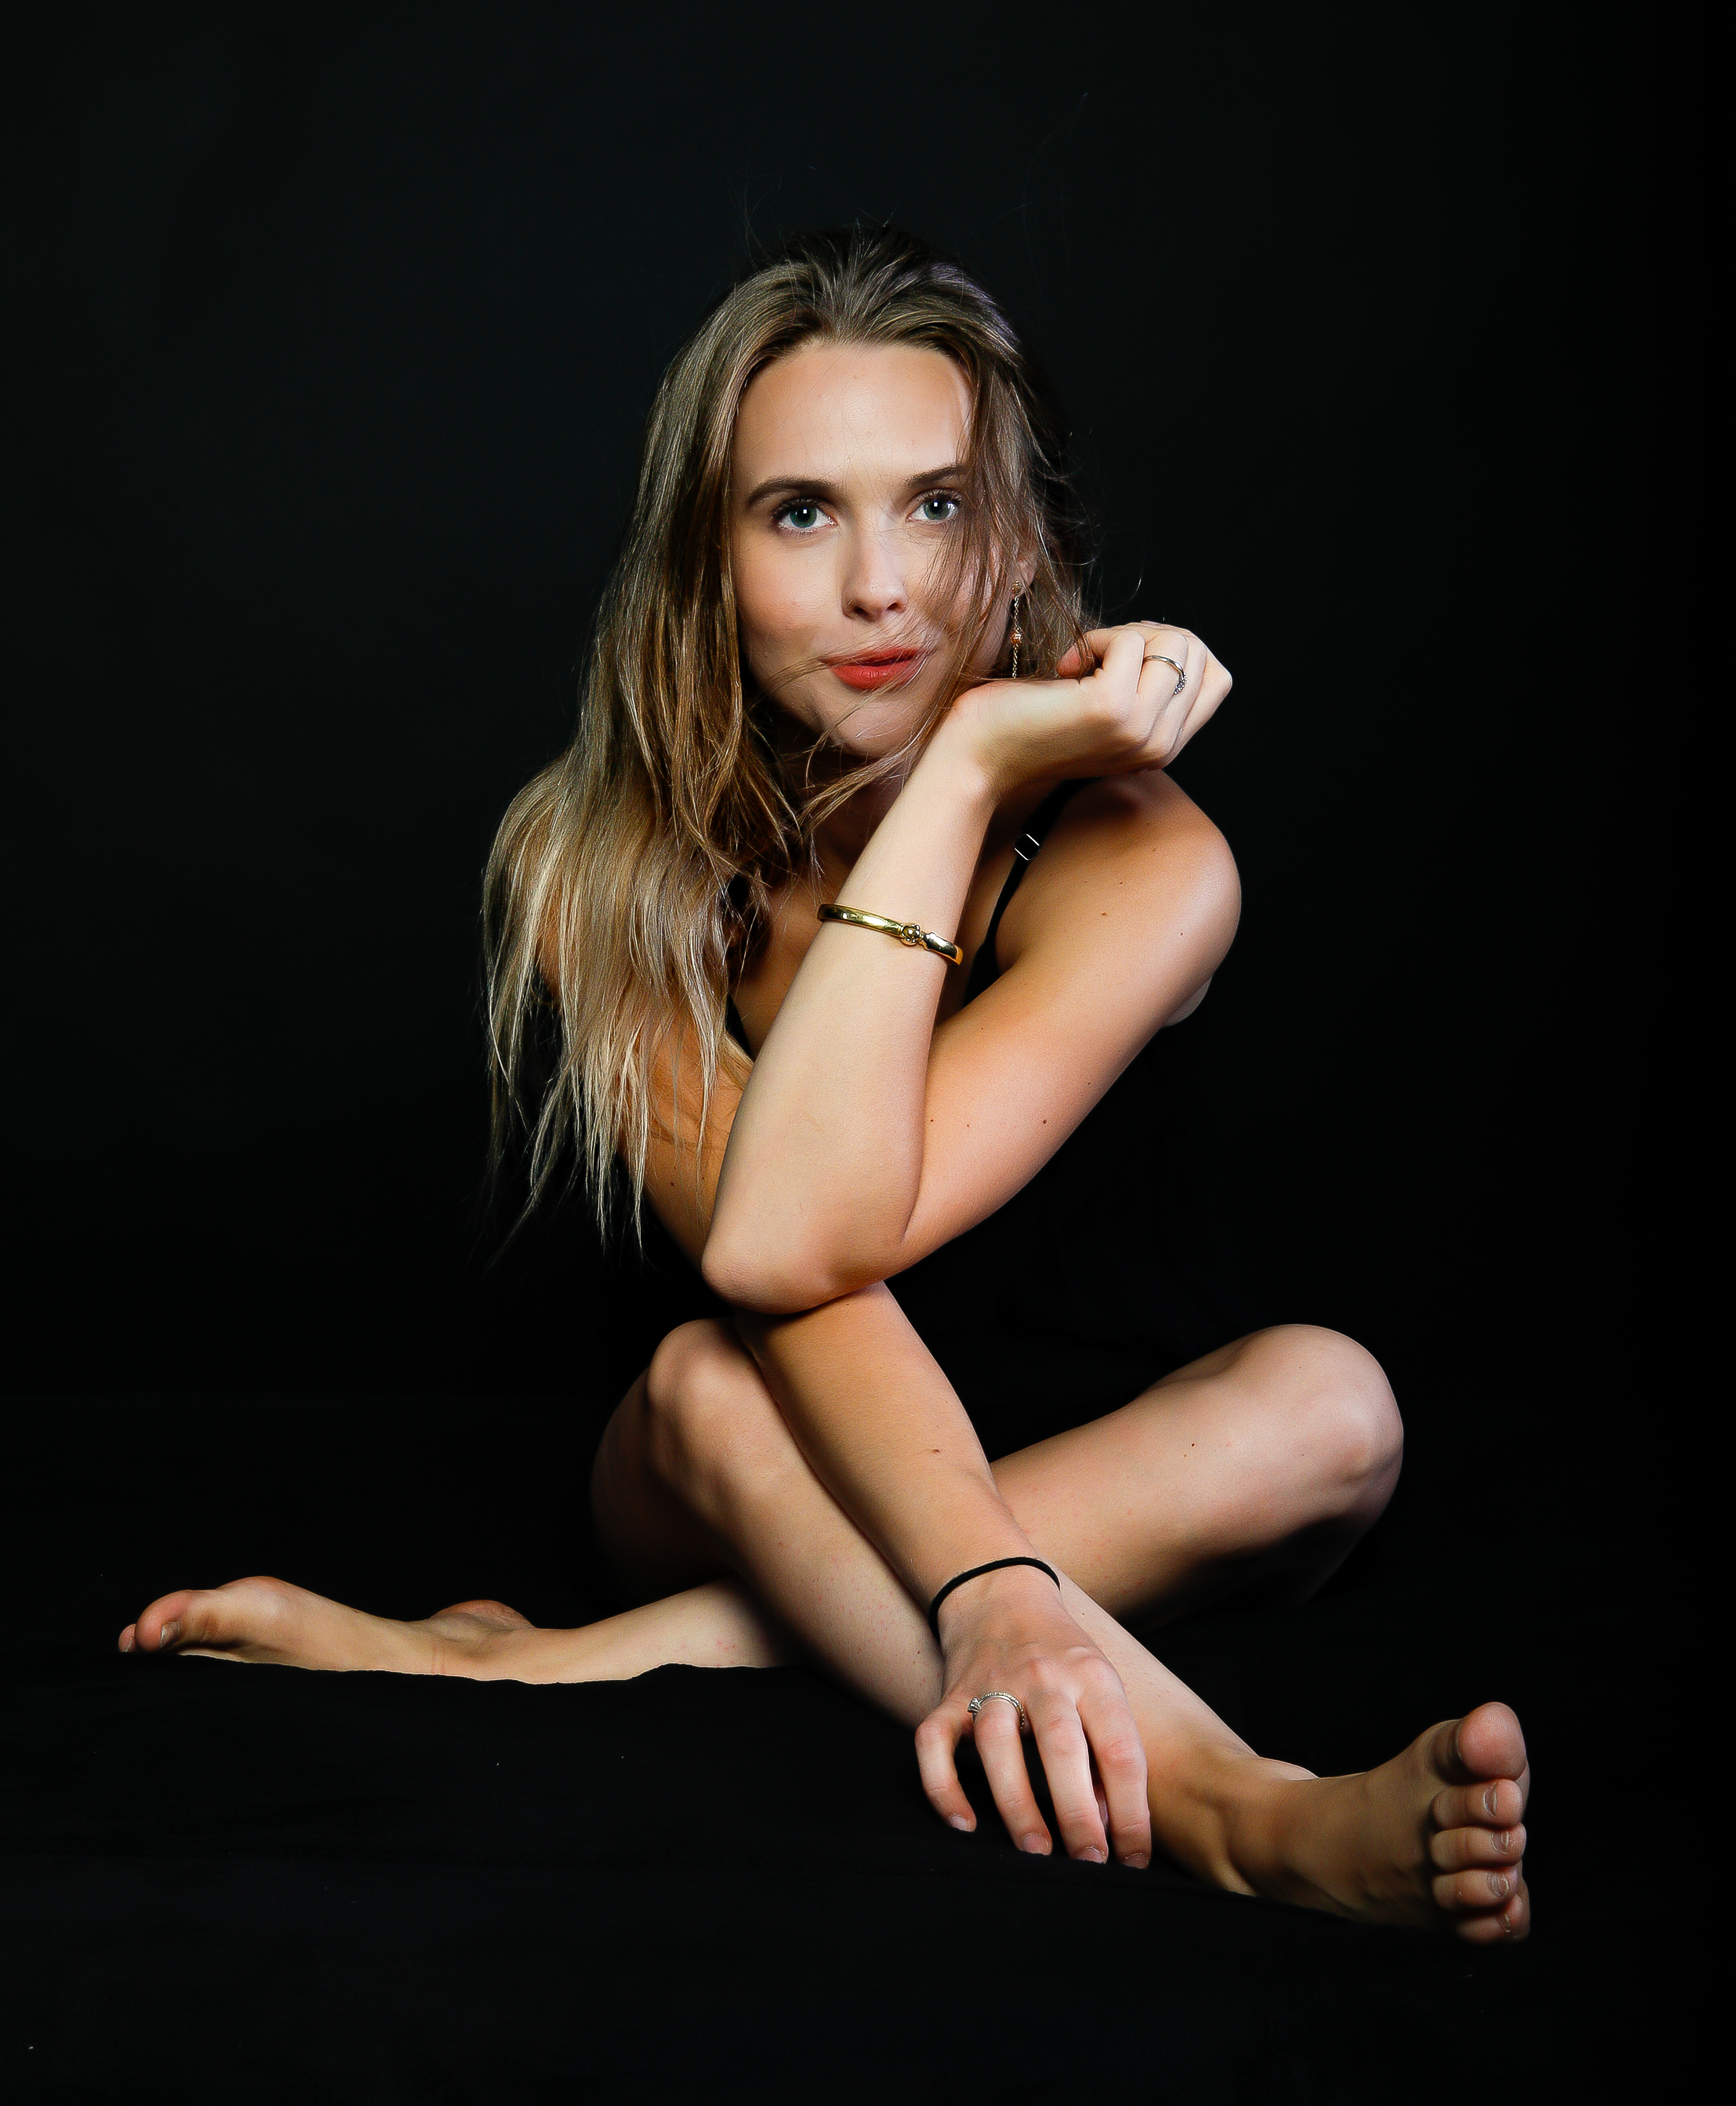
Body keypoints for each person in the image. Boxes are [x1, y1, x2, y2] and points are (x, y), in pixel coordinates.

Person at [120, 230, 1529, 1939]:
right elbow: (788, 1250)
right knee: (711, 1374)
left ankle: (539, 1664)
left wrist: (972, 773)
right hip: (746, 1448)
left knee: (1335, 1404)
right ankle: (1242, 1808)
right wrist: (969, 766)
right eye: (801, 513)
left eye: (937, 505)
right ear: (702, 563)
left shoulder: (1152, 866)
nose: (882, 588)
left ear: (1020, 540)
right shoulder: (587, 866)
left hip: (1107, 1444)